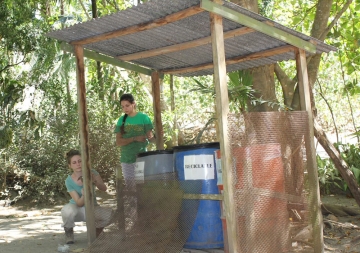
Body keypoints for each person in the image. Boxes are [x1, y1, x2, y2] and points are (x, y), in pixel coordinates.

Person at [114, 94, 156, 231]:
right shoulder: (121, 121)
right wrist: (134, 139)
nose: (125, 108)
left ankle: (146, 219)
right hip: (127, 160)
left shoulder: (144, 118)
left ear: (133, 104)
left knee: (144, 188)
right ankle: (133, 221)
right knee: (131, 189)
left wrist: (151, 136)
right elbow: (119, 142)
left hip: (143, 159)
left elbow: (151, 137)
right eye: (122, 106)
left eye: (127, 105)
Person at [61, 149, 113, 244]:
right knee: (66, 210)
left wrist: (95, 181)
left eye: (80, 161)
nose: (78, 164)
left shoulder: (92, 172)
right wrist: (85, 193)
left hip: (92, 206)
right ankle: (69, 233)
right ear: (70, 166)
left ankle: (97, 230)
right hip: (77, 209)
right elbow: (79, 203)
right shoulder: (68, 181)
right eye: (74, 162)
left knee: (110, 215)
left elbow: (104, 188)